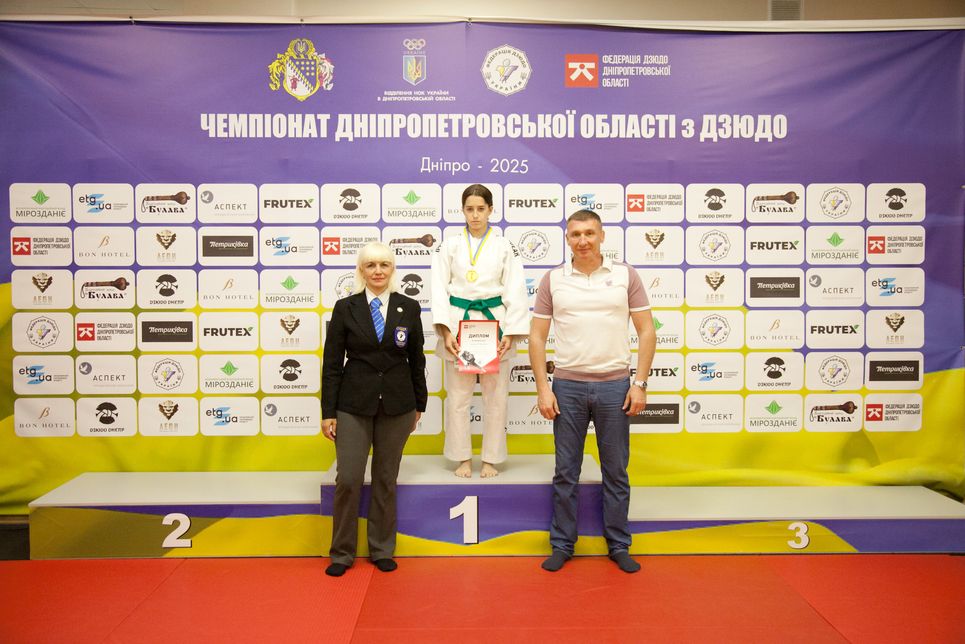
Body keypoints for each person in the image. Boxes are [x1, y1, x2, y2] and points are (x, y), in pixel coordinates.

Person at [528, 210, 656, 574]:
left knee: (615, 471)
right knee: (565, 472)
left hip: (615, 386)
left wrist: (639, 383)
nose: (582, 240)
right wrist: (543, 388)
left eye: (589, 233)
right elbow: (536, 336)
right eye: (575, 234)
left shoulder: (625, 275)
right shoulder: (553, 279)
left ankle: (618, 544)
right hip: (567, 387)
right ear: (567, 239)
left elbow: (647, 330)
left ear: (601, 236)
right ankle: (562, 544)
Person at [322, 241, 427, 576]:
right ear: (361, 270)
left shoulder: (409, 307)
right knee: (349, 478)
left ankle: (381, 548)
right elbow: (332, 363)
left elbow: (417, 359)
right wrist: (328, 412)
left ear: (392, 269)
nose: (378, 271)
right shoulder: (345, 308)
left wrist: (419, 404)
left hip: (398, 404)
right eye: (371, 265)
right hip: (352, 404)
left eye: (384, 265)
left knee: (385, 478)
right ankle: (342, 553)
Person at [430, 184, 529, 478]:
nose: (475, 215)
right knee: (458, 398)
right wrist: (445, 330)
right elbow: (438, 289)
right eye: (469, 209)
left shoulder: (505, 246)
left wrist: (510, 332)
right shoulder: (448, 246)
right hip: (458, 325)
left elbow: (516, 289)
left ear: (490, 210)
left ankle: (490, 459)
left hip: (494, 325)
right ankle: (462, 457)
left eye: (481, 209)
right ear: (462, 210)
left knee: (496, 399)